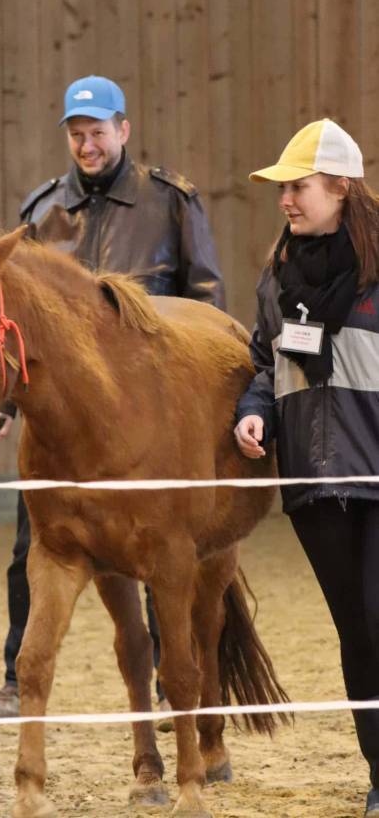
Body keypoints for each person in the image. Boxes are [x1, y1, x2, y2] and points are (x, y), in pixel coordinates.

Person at [0, 74, 225, 720]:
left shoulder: (169, 201)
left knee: (160, 552)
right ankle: (14, 675)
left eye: (96, 132)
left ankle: (180, 686)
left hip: (149, 418)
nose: (86, 145)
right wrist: (0, 407)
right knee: (28, 546)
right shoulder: (40, 212)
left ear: (122, 129)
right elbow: (11, 322)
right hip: (62, 425)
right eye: (76, 134)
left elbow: (205, 301)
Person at [234, 118, 379, 818]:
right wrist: (253, 409)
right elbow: (267, 363)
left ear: (340, 188)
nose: (286, 199)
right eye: (282, 188)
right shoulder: (274, 282)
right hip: (313, 485)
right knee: (355, 632)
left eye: (297, 186)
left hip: (376, 477)